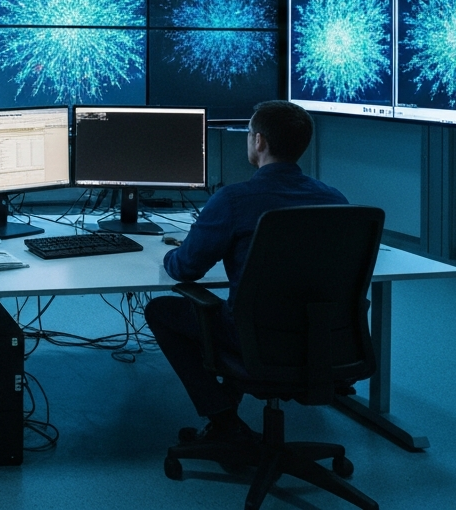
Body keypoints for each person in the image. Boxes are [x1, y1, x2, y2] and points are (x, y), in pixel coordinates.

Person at [146, 100, 347, 444]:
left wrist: (170, 253)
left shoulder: (234, 200)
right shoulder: (336, 200)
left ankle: (222, 418)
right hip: (324, 337)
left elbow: (185, 269)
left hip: (253, 337)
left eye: (249, 133)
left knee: (160, 310)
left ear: (259, 142)